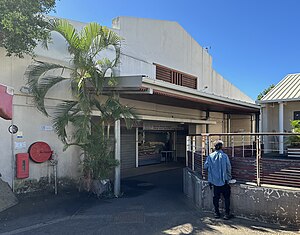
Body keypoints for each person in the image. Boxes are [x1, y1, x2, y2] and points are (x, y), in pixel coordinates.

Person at [204, 140, 232, 220]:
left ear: (214, 147)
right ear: (221, 147)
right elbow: (228, 167)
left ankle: (216, 213)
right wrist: (229, 178)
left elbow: (205, 166)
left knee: (215, 198)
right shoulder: (225, 156)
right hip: (224, 181)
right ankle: (227, 214)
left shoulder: (210, 156)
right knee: (227, 197)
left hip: (214, 181)